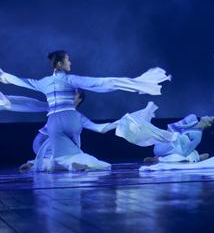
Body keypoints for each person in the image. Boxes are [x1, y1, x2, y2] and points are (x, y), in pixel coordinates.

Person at [0, 50, 170, 171]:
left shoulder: (43, 82)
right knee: (74, 153)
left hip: (53, 121)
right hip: (71, 119)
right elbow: (99, 83)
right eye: (68, 60)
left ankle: (49, 164)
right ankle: (72, 164)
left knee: (60, 156)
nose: (70, 63)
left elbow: (19, 81)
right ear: (60, 64)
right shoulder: (71, 80)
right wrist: (123, 118)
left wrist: (3, 76)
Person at [144, 115, 214, 163]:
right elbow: (172, 127)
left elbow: (184, 152)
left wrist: (178, 142)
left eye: (210, 117)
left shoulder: (197, 137)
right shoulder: (192, 118)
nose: (207, 115)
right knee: (181, 140)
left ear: (209, 124)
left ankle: (158, 159)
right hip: (163, 141)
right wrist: (175, 138)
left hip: (170, 149)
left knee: (183, 156)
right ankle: (197, 157)